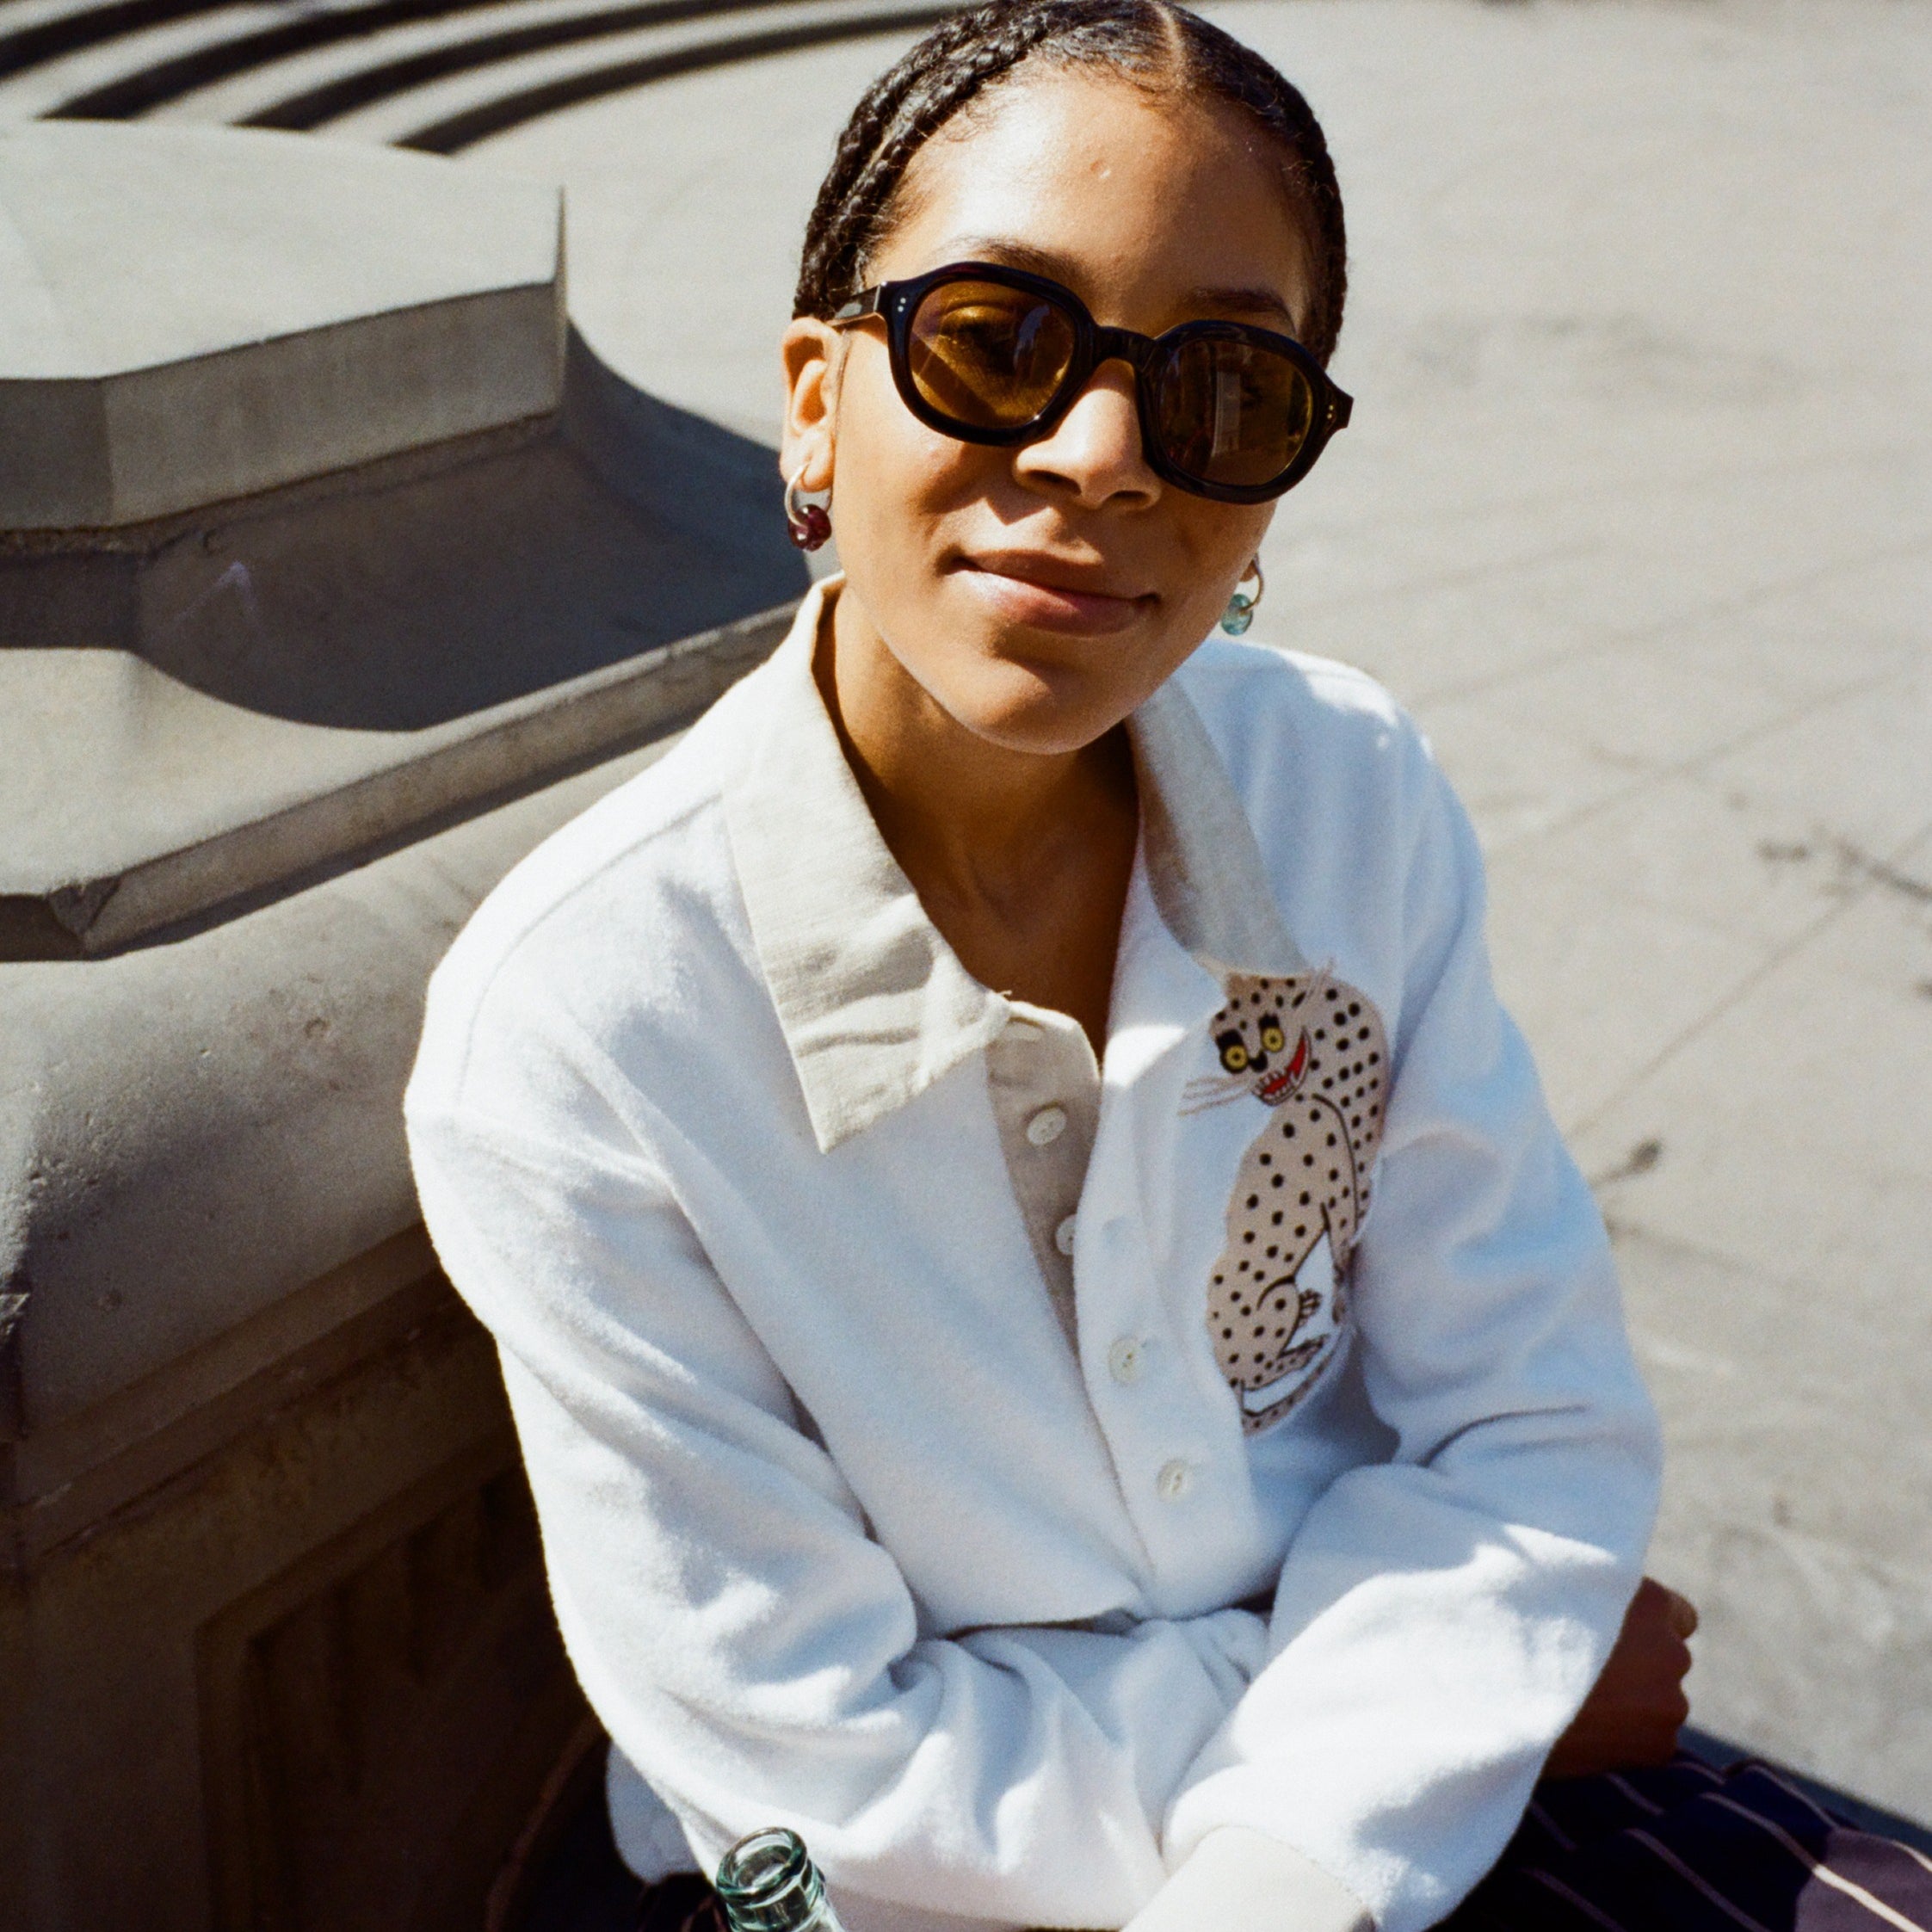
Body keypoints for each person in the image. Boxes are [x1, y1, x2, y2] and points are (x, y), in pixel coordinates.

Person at [405, 5, 1929, 1929]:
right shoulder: (580, 1030)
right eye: (992, 338)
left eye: (1226, 386)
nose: (1104, 454)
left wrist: (1310, 1840)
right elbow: (812, 1770)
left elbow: (1528, 1423)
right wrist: (1474, 1704)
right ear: (813, 393)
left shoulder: (1350, 791)